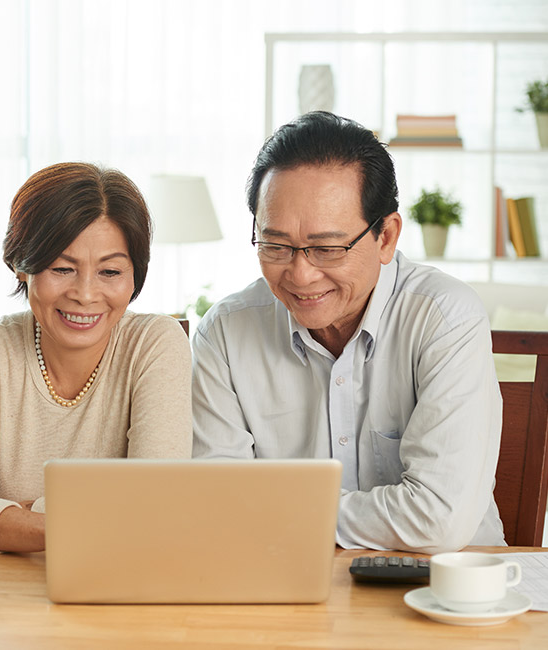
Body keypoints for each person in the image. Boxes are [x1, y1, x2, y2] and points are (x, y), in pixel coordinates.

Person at [192, 111, 504, 553]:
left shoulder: (444, 317)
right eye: (275, 245)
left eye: (327, 248)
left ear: (386, 237)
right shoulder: (224, 333)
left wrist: (274, 511)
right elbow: (215, 505)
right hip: (286, 588)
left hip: (446, 595)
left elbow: (438, 520)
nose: (300, 275)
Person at [0, 162, 192, 554]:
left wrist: (14, 514)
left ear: (134, 276)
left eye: (110, 271)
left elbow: (156, 505)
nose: (86, 294)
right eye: (62, 268)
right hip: (2, 587)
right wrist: (64, 527)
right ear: (21, 266)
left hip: (119, 578)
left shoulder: (155, 343)